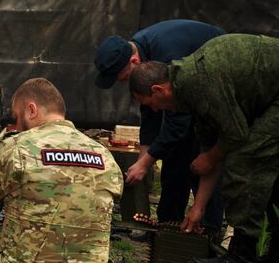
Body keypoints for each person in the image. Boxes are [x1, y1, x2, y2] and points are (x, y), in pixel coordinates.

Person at [0, 78, 123, 262]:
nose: (17, 126)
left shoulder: (15, 148)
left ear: (31, 110)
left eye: (17, 117)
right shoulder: (104, 156)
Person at [129, 34, 279, 263]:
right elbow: (211, 150)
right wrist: (198, 209)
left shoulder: (197, 83)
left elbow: (235, 136)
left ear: (159, 90)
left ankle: (242, 254)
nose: (156, 111)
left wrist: (210, 157)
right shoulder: (189, 93)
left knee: (246, 160)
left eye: (151, 105)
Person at [94, 19, 225, 234]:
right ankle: (168, 227)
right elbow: (149, 111)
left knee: (198, 160)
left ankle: (209, 233)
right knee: (173, 159)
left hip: (215, 97)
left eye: (122, 78)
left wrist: (146, 162)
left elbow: (178, 122)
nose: (121, 83)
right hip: (192, 101)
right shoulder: (143, 57)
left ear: (134, 61)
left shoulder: (169, 56)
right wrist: (142, 159)